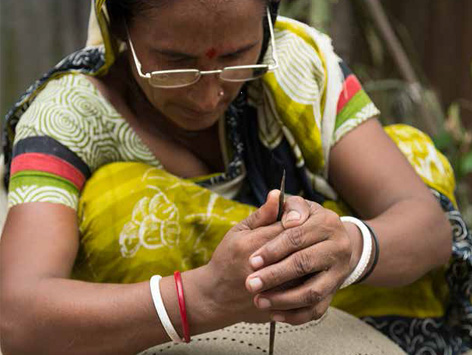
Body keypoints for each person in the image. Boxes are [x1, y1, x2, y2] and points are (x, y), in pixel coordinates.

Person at [0, 0, 470, 354]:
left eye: (239, 54)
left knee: (411, 155)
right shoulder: (68, 116)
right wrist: (198, 298)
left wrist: (346, 248)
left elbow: (429, 228)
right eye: (176, 62)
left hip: (363, 323)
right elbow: (15, 315)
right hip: (155, 336)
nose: (209, 95)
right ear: (118, 28)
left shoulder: (295, 63)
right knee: (117, 202)